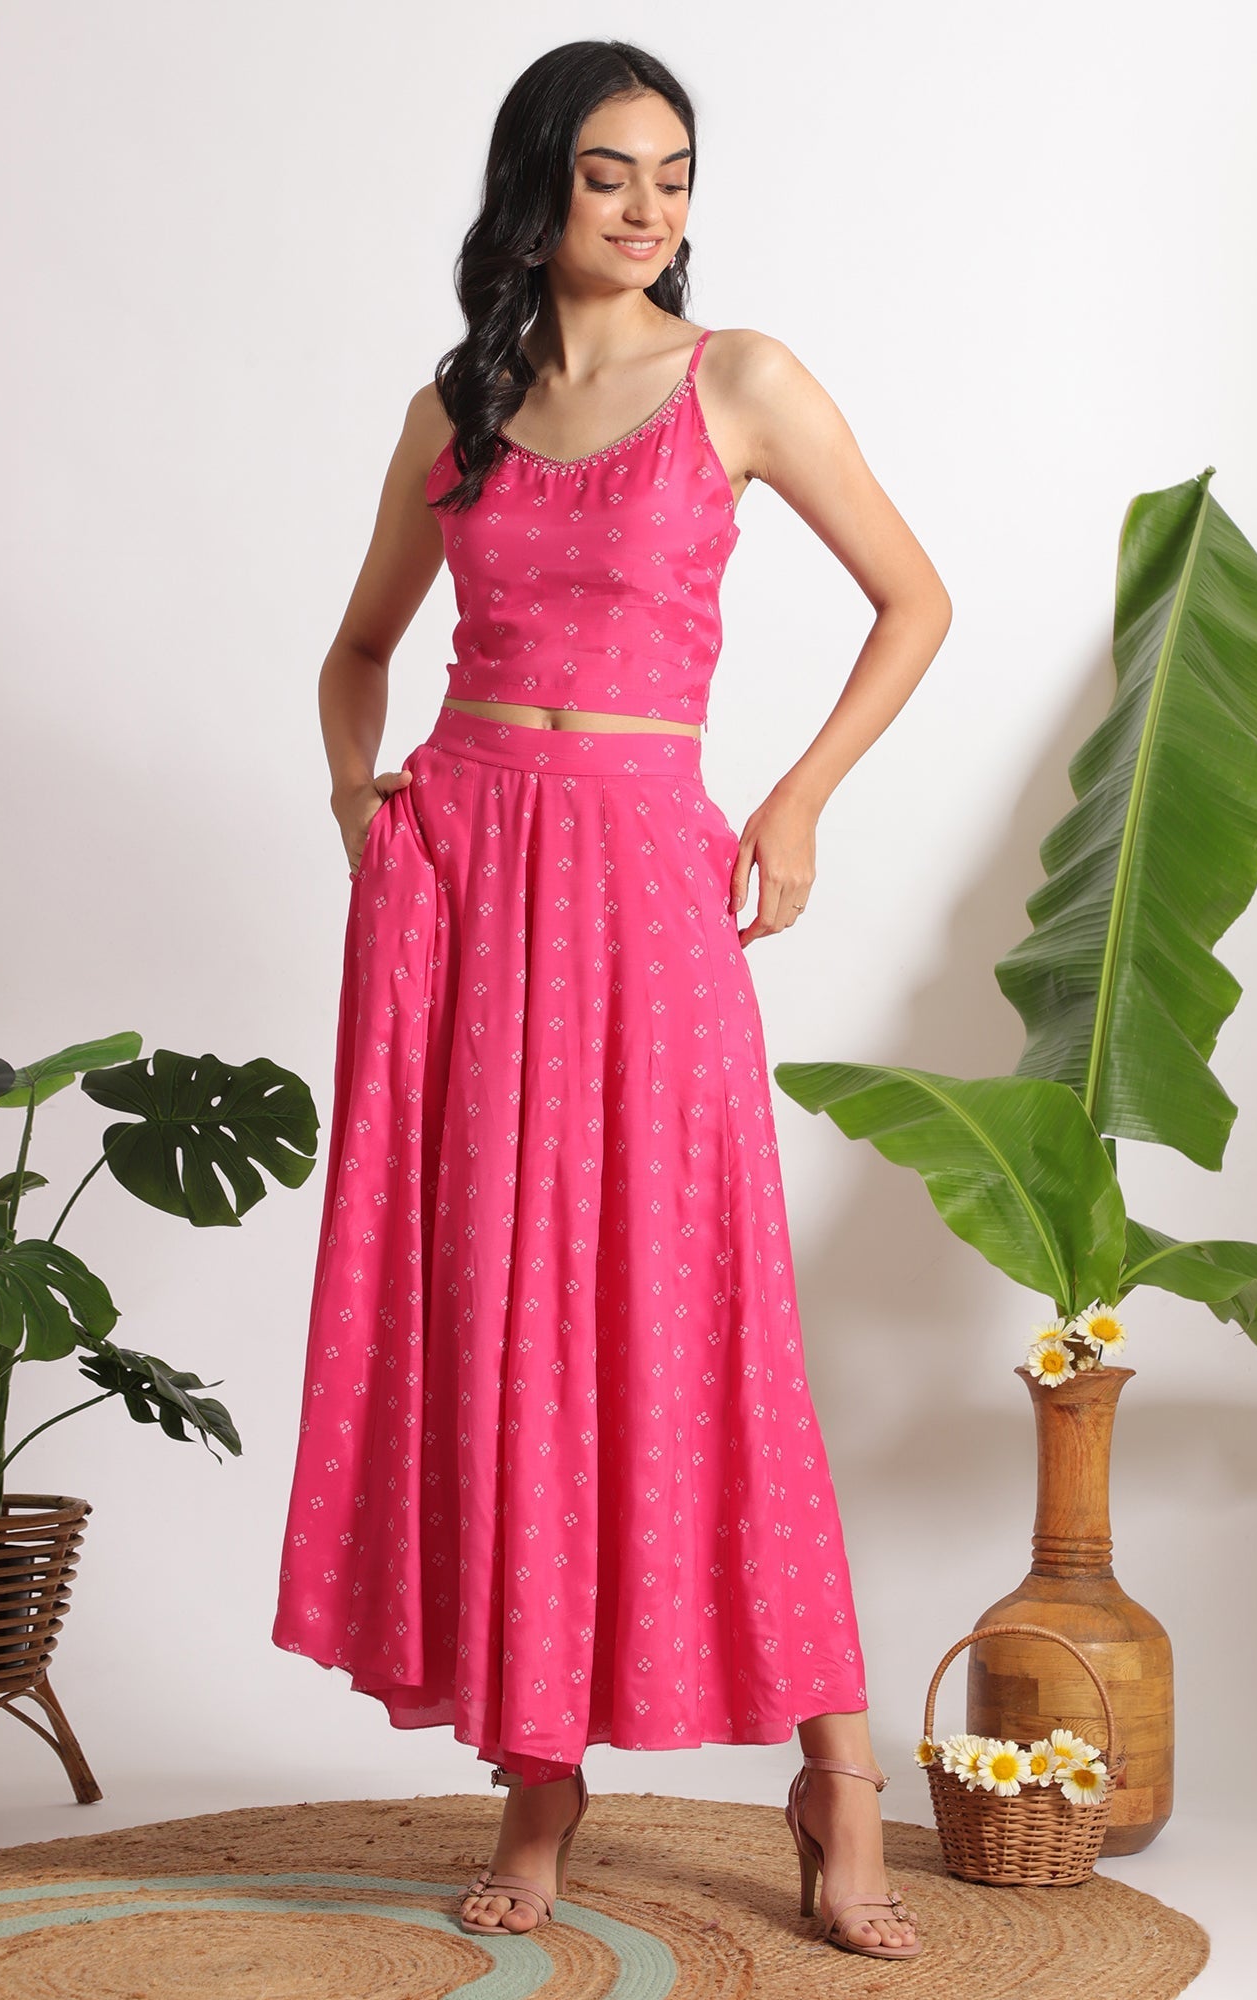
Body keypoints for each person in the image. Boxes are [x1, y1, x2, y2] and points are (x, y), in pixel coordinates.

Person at [272, 38, 951, 1964]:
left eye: (673, 173)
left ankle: (835, 1775)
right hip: (468, 877)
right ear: (534, 190)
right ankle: (538, 1776)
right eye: (606, 174)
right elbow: (357, 648)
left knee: (700, 1301)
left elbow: (914, 598)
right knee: (509, 1316)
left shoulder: (740, 380)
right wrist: (360, 798)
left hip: (649, 874)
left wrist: (794, 801)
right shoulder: (458, 410)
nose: (649, 207)